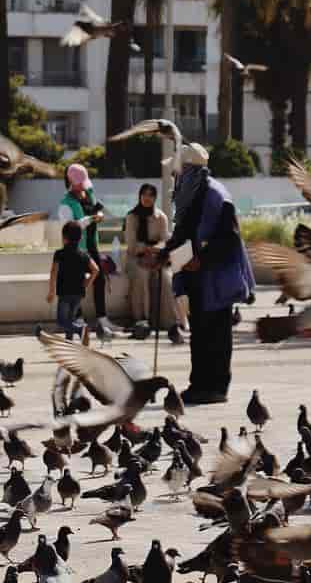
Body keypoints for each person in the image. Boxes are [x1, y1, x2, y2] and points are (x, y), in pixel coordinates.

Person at [156, 143, 255, 404]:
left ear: (190, 169)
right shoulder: (192, 194)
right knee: (199, 333)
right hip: (197, 277)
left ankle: (217, 387)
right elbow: (182, 233)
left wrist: (201, 260)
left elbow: (229, 240)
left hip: (217, 278)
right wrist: (163, 254)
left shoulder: (216, 196)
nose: (176, 174)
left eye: (180, 168)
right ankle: (198, 384)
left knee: (217, 335)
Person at [122, 182, 184, 344]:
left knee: (166, 279)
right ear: (140, 196)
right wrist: (148, 250)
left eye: (151, 195)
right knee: (141, 275)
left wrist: (155, 253)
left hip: (157, 258)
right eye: (144, 194)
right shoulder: (132, 217)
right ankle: (141, 320)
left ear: (155, 198)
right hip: (135, 258)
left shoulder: (160, 217)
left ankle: (171, 324)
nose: (147, 198)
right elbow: (132, 244)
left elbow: (165, 241)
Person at [58, 163, 112, 338]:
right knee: (76, 284)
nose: (83, 185)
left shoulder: (88, 193)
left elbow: (97, 208)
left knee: (100, 280)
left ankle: (102, 318)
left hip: (91, 244)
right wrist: (90, 219)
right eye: (80, 182)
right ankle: (78, 318)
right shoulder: (65, 203)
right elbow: (69, 227)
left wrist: (99, 216)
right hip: (76, 250)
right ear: (72, 182)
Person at [49, 219, 97, 338]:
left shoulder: (59, 254)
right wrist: (87, 282)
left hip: (64, 292)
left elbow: (53, 272)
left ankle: (80, 330)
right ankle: (69, 345)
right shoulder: (84, 255)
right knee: (70, 320)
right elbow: (96, 269)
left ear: (64, 238)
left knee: (62, 321)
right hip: (78, 292)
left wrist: (51, 291)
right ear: (80, 238)